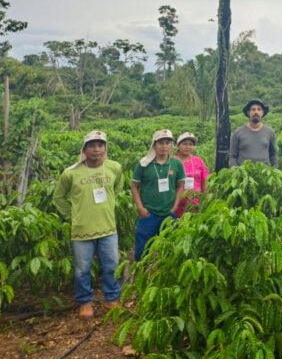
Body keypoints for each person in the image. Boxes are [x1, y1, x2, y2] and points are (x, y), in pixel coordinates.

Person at [53, 131, 123, 319]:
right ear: (84, 149)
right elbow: (58, 197)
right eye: (92, 145)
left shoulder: (114, 168)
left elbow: (117, 189)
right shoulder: (71, 173)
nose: (96, 149)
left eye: (100, 145)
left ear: (105, 148)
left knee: (111, 265)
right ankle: (85, 303)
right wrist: (72, 216)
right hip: (82, 230)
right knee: (82, 269)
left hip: (108, 228)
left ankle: (112, 298)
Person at [131, 129, 186, 261]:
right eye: (160, 143)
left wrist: (175, 206)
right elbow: (134, 186)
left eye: (167, 143)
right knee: (142, 251)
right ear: (154, 145)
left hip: (168, 213)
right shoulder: (144, 163)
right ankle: (139, 275)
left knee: (168, 249)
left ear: (172, 146)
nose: (164, 146)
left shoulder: (176, 164)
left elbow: (180, 185)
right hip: (148, 213)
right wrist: (140, 207)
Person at [229, 98, 278, 168]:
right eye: (253, 109)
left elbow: (273, 154)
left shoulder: (270, 132)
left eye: (259, 109)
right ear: (248, 113)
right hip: (244, 176)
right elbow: (232, 156)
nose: (256, 112)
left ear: (262, 112)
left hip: (264, 176)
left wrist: (274, 171)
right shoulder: (238, 133)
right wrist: (236, 171)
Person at [174, 132, 210, 217]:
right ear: (178, 146)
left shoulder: (198, 161)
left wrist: (205, 201)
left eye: (191, 144)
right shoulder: (172, 162)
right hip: (176, 205)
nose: (188, 147)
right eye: (184, 144)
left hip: (196, 204)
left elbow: (205, 183)